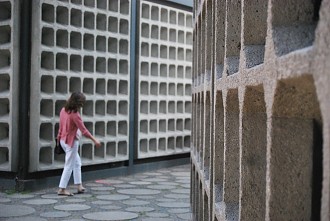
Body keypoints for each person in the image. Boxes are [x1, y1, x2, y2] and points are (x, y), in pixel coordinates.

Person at [57, 92, 101, 196]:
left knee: (77, 163)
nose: (82, 105)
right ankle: (62, 189)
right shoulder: (75, 115)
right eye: (81, 103)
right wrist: (94, 140)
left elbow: (61, 126)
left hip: (63, 140)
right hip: (71, 142)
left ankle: (79, 185)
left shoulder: (64, 110)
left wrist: (58, 138)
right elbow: (84, 130)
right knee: (69, 165)